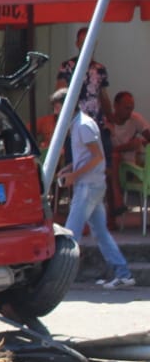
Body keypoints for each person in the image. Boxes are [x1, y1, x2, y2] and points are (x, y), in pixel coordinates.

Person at [57, 106, 135, 289]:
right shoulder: (81, 123)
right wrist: (70, 168)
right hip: (92, 184)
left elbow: (97, 157)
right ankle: (123, 274)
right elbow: (88, 156)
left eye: (58, 109)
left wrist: (74, 176)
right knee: (101, 233)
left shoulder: (83, 125)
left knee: (70, 235)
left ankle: (58, 280)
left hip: (88, 185)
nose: (57, 114)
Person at [56, 26, 118, 219]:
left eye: (89, 42)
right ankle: (78, 216)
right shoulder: (67, 67)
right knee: (75, 167)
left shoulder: (99, 69)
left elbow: (103, 96)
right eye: (82, 42)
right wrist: (61, 125)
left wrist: (112, 119)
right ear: (77, 44)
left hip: (97, 125)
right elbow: (60, 95)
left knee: (104, 166)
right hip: (75, 125)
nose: (86, 45)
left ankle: (110, 214)